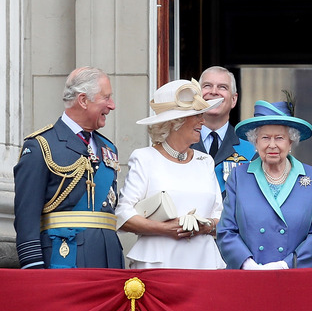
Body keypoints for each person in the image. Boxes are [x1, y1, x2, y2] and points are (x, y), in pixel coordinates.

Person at [14, 66, 123, 269]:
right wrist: (33, 268)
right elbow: (26, 217)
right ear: (83, 100)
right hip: (64, 258)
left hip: (109, 259)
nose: (112, 105)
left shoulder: (108, 148)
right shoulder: (41, 145)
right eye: (106, 98)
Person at [115, 79, 226, 269]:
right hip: (158, 265)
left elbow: (220, 215)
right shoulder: (144, 158)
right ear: (175, 122)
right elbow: (123, 215)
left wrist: (204, 226)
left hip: (204, 264)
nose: (203, 121)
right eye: (196, 115)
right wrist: (165, 229)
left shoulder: (205, 161)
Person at [217, 98, 312, 269]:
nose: (272, 145)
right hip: (247, 277)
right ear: (255, 142)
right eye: (265, 138)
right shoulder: (238, 176)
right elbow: (226, 230)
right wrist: (247, 264)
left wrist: (286, 265)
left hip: (294, 277)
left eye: (279, 138)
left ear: (291, 141)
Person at [191, 66, 256, 195]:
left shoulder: (251, 149)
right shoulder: (181, 144)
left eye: (222, 87)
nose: (214, 92)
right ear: (197, 97)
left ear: (233, 100)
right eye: (207, 86)